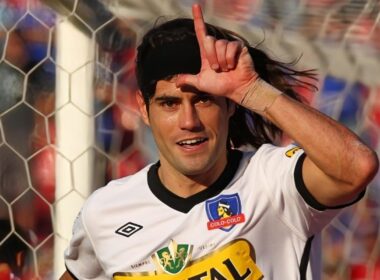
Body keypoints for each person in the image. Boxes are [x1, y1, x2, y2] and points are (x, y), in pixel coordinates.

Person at [60, 4, 378, 280]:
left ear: (229, 104)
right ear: (144, 109)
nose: (189, 122)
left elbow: (357, 166)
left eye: (203, 100)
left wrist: (255, 91)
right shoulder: (105, 214)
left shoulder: (272, 183)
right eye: (169, 104)